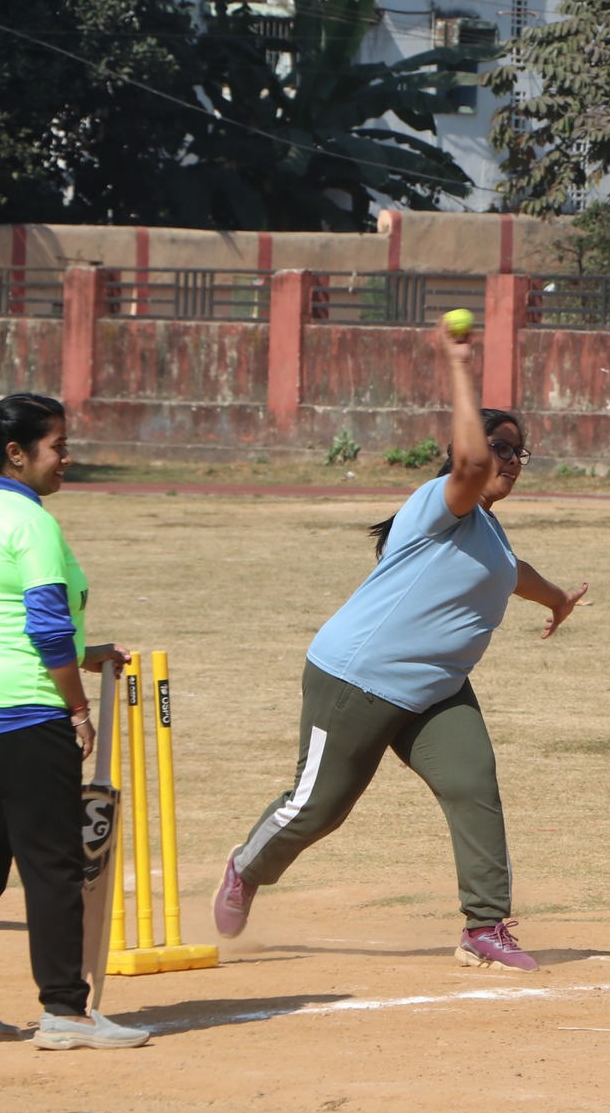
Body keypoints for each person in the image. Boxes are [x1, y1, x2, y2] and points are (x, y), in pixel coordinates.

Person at [213, 319, 587, 971]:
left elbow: (512, 573)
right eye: (500, 446)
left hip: (436, 691)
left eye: (519, 451)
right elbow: (470, 463)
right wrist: (458, 364)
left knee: (473, 783)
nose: (510, 459)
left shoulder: (489, 532)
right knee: (320, 808)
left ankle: (484, 925)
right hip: (357, 679)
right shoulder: (441, 502)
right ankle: (247, 867)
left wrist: (556, 598)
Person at [0, 393, 149, 1050]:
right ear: (16, 453)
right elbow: (44, 628)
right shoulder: (30, 521)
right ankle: (66, 1011)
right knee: (53, 863)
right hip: (24, 710)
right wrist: (78, 707)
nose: (67, 458)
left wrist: (86, 652)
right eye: (58, 446)